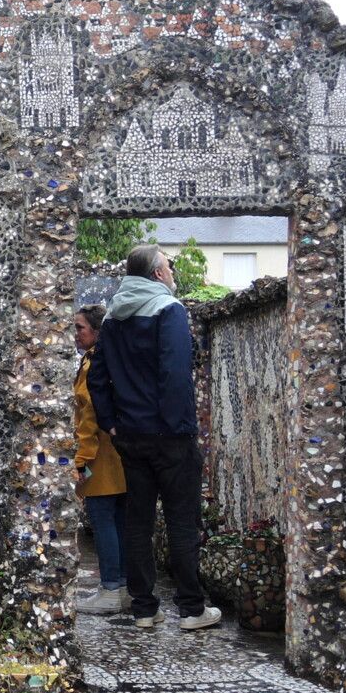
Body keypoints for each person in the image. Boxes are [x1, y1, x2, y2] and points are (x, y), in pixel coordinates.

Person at [86, 245, 221, 631]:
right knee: (181, 521)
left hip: (130, 436)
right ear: (158, 273)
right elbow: (175, 374)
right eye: (170, 266)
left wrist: (112, 423)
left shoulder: (112, 318)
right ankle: (192, 610)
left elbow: (98, 378)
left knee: (138, 522)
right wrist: (177, 427)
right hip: (170, 436)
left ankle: (144, 608)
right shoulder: (169, 310)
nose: (173, 273)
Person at [71, 305, 129, 614]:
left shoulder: (94, 364)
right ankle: (121, 586)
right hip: (118, 453)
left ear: (96, 330)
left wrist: (80, 460)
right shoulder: (109, 360)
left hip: (100, 455)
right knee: (118, 520)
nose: (76, 333)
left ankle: (110, 588)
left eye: (80, 327)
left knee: (103, 519)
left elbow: (89, 416)